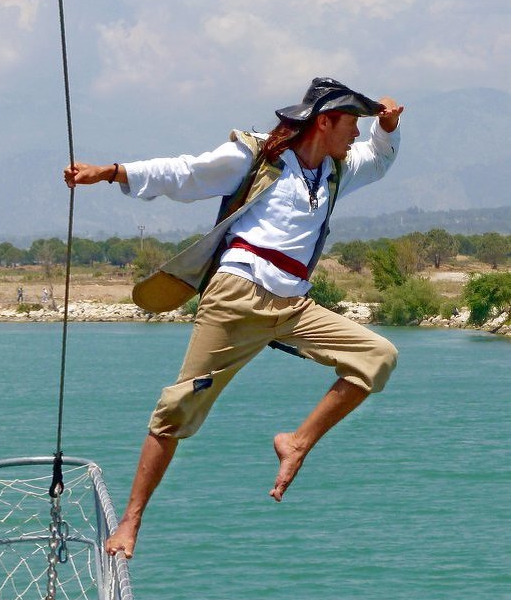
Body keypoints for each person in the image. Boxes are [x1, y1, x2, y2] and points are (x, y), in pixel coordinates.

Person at [64, 78, 404, 558]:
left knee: (378, 356)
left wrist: (386, 129)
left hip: (294, 305)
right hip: (237, 295)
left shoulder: (334, 171)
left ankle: (297, 443)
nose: (355, 134)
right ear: (324, 122)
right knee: (178, 408)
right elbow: (185, 174)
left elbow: (380, 159)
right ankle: (129, 522)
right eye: (352, 123)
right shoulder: (256, 158)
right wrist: (112, 172)